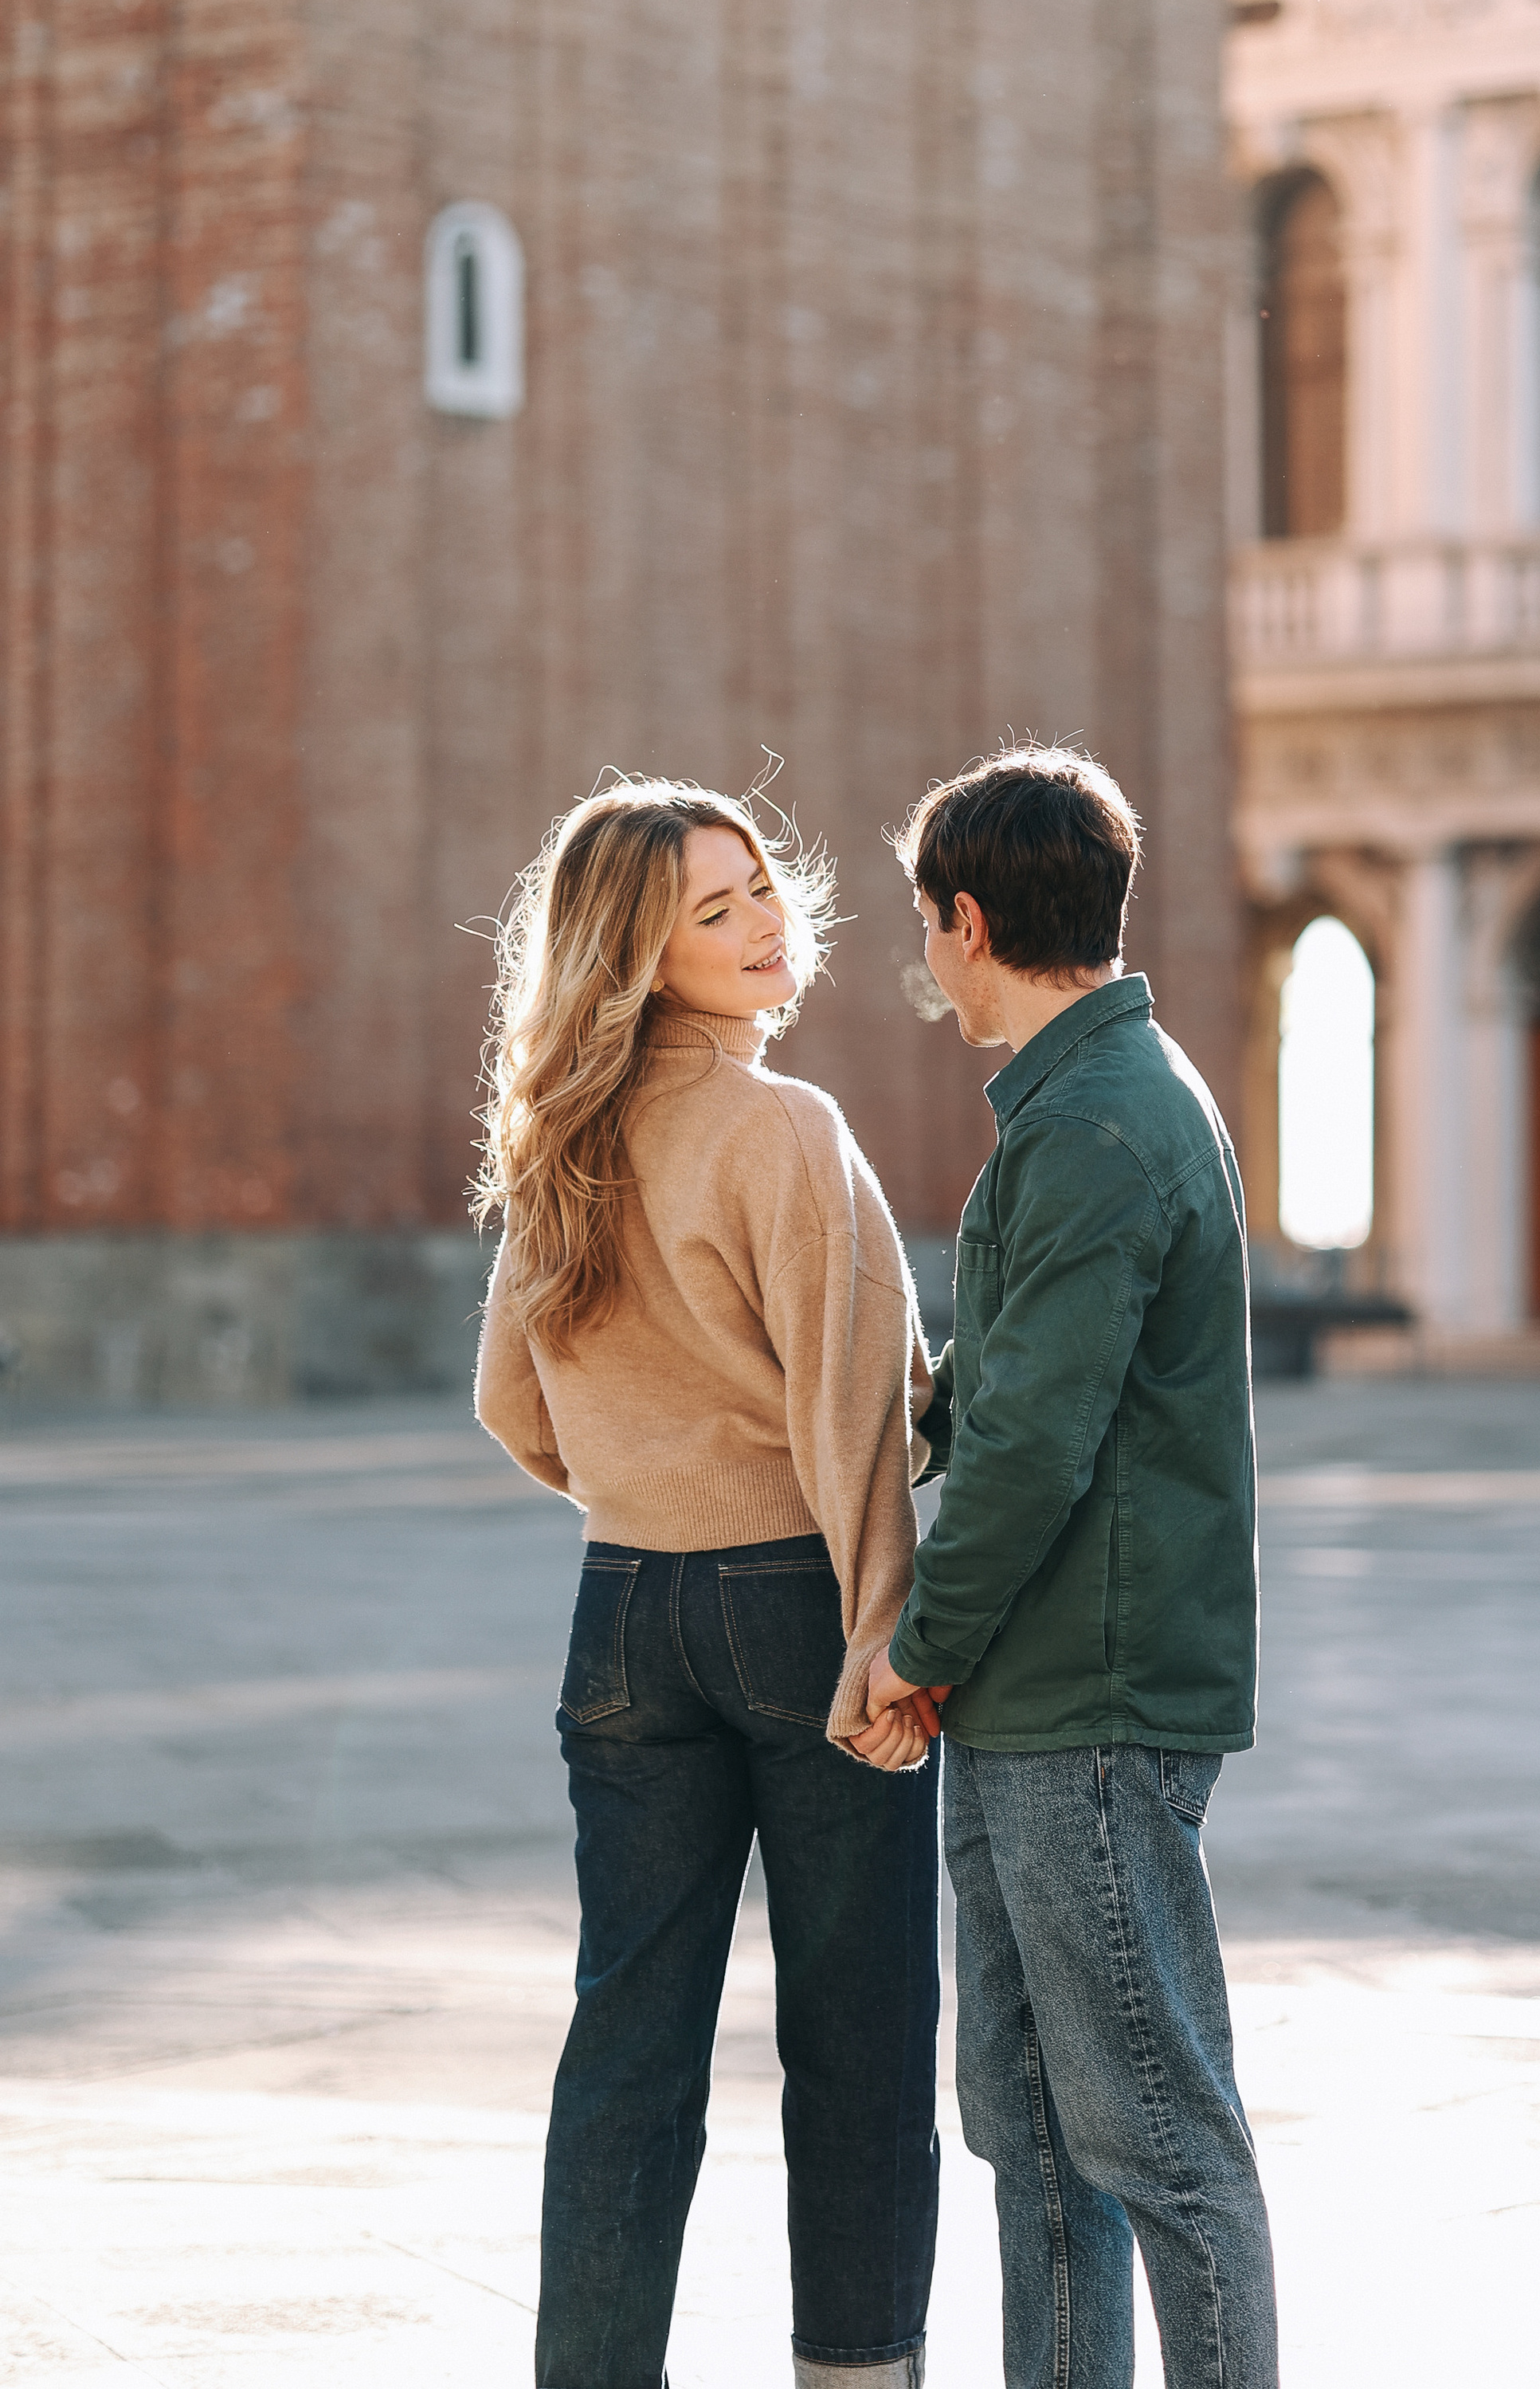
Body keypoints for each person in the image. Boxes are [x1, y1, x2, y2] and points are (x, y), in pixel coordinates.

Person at [472, 778, 942, 2389]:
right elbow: (853, 1413)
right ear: (639, 954)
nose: (762, 925)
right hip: (795, 1603)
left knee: (629, 2039)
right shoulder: (782, 1127)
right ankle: (857, 2374)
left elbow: (510, 1403)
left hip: (620, 1608)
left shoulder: (562, 1137)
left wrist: (645, 1483)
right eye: (713, 910)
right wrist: (879, 1635)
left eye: (761, 889)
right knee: (859, 2035)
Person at [868, 744, 1279, 2389]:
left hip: (1084, 1701)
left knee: (1159, 2139)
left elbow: (1034, 1447)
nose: (926, 959)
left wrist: (915, 1646)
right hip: (1037, 1693)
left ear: (968, 921)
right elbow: (1013, 1390)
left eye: (925, 926)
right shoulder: (1095, 1101)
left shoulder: (1097, 1124)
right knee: (1034, 2134)